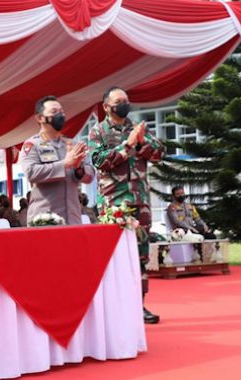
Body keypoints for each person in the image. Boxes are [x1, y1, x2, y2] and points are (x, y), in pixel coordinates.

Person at [88, 86, 164, 324]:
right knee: (113, 256)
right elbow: (100, 161)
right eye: (119, 101)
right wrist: (128, 146)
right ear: (106, 107)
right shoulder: (97, 131)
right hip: (114, 204)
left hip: (140, 201)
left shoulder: (138, 128)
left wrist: (140, 144)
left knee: (140, 255)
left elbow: (160, 152)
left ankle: (139, 305)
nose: (124, 104)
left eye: (126, 100)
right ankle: (114, 307)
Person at [20, 95, 95, 225]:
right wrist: (64, 164)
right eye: (54, 112)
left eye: (61, 112)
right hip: (45, 219)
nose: (60, 115)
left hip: (72, 217)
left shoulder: (71, 144)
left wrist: (79, 168)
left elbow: (90, 175)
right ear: (40, 118)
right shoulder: (33, 145)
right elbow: (31, 172)